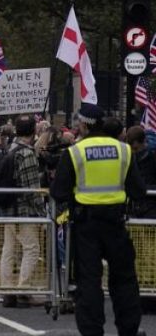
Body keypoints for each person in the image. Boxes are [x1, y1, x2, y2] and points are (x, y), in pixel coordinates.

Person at [50, 105, 147, 336]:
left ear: (83, 125)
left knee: (89, 282)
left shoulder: (74, 152)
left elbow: (58, 192)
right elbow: (138, 191)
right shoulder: (124, 150)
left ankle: (92, 331)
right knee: (124, 280)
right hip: (115, 223)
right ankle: (128, 329)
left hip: (86, 225)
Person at [0, 115, 46, 307]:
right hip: (24, 210)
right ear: (33, 131)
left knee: (9, 249)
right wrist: (42, 212)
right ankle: (24, 291)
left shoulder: (10, 148)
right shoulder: (26, 153)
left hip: (9, 207)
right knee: (32, 249)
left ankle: (8, 290)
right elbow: (31, 188)